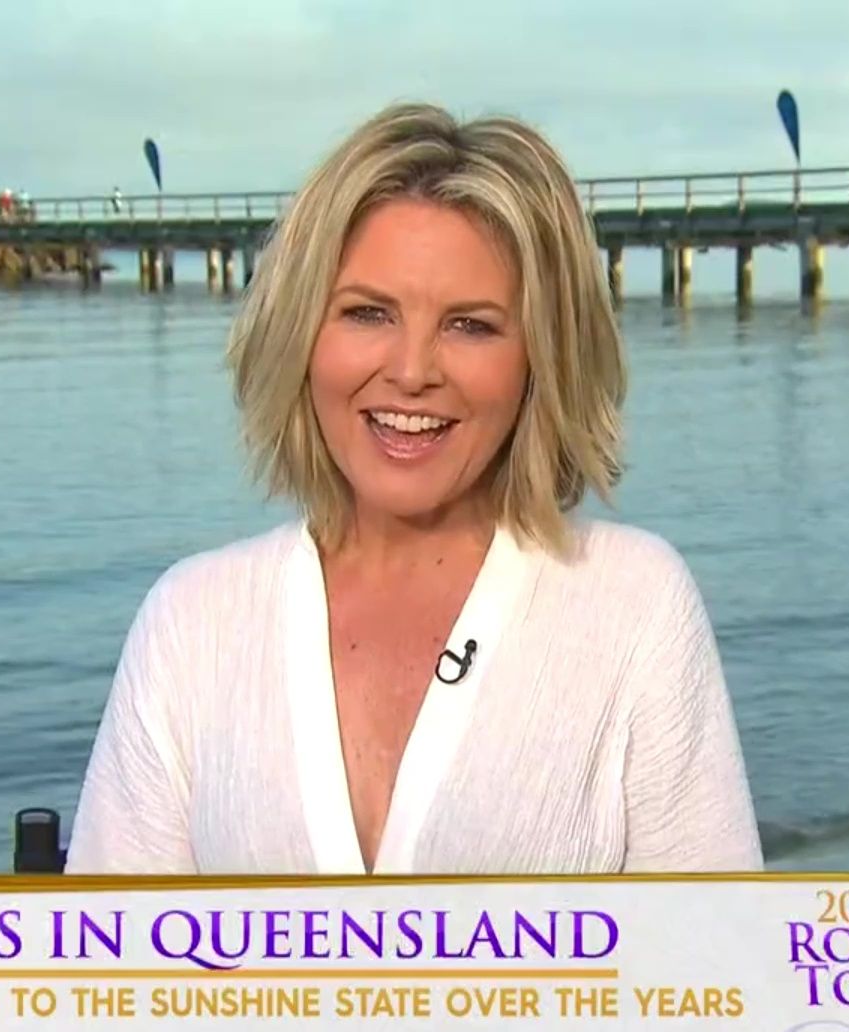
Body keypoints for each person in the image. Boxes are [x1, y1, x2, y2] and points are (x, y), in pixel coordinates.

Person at [65, 102, 762, 875]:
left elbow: (718, 944)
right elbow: (106, 949)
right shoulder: (192, 622)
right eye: (368, 313)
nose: (411, 370)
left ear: (542, 358)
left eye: (470, 325)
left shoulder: (634, 604)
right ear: (300, 334)